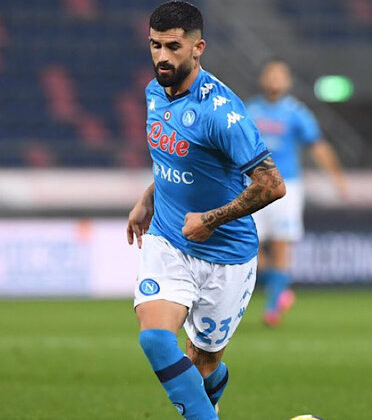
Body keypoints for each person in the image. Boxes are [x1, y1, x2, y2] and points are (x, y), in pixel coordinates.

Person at [126, 2, 286, 419]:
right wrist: (150, 197)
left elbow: (272, 184)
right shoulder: (153, 92)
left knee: (203, 364)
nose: (162, 57)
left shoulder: (223, 113)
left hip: (226, 255)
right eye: (155, 45)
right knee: (156, 340)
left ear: (198, 48)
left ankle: (210, 389)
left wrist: (210, 220)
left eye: (173, 47)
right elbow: (180, 159)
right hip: (168, 240)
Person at [246, 60, 348, 327]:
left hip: (286, 187)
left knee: (282, 245)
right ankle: (280, 288)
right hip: (253, 186)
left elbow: (318, 146)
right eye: (270, 74)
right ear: (262, 78)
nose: (275, 79)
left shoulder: (296, 112)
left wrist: (337, 179)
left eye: (280, 75)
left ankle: (272, 307)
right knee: (247, 247)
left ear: (288, 81)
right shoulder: (249, 110)